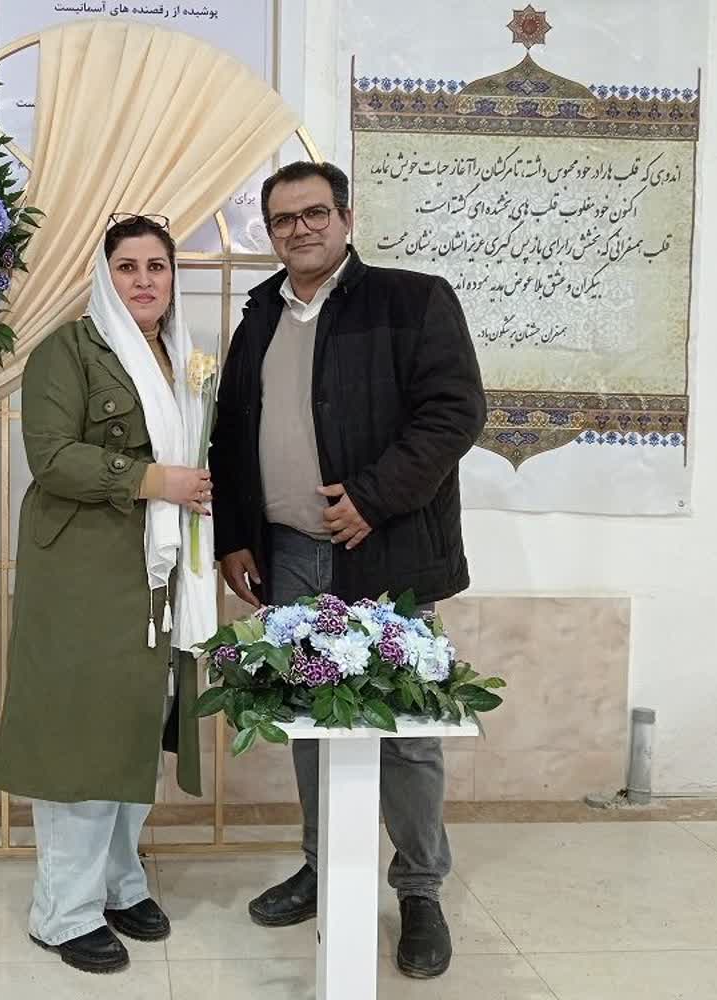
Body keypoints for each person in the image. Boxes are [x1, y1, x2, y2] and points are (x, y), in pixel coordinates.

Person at [208, 162, 486, 980]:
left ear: (345, 217)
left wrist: (370, 496)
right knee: (309, 719)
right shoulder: (260, 314)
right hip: (289, 553)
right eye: (283, 218)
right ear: (269, 231)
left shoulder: (410, 300)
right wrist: (235, 537)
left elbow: (454, 414)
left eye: (314, 212)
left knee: (404, 729)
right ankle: (321, 864)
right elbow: (231, 435)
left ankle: (419, 888)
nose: (299, 228)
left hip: (386, 550)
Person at [0, 214, 217, 974]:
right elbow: (51, 457)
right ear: (104, 275)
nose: (144, 280)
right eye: (127, 266)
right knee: (80, 735)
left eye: (157, 266)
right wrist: (153, 479)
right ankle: (63, 911)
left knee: (134, 725)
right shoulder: (69, 350)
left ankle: (120, 883)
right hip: (84, 569)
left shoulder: (182, 356)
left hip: (157, 572)